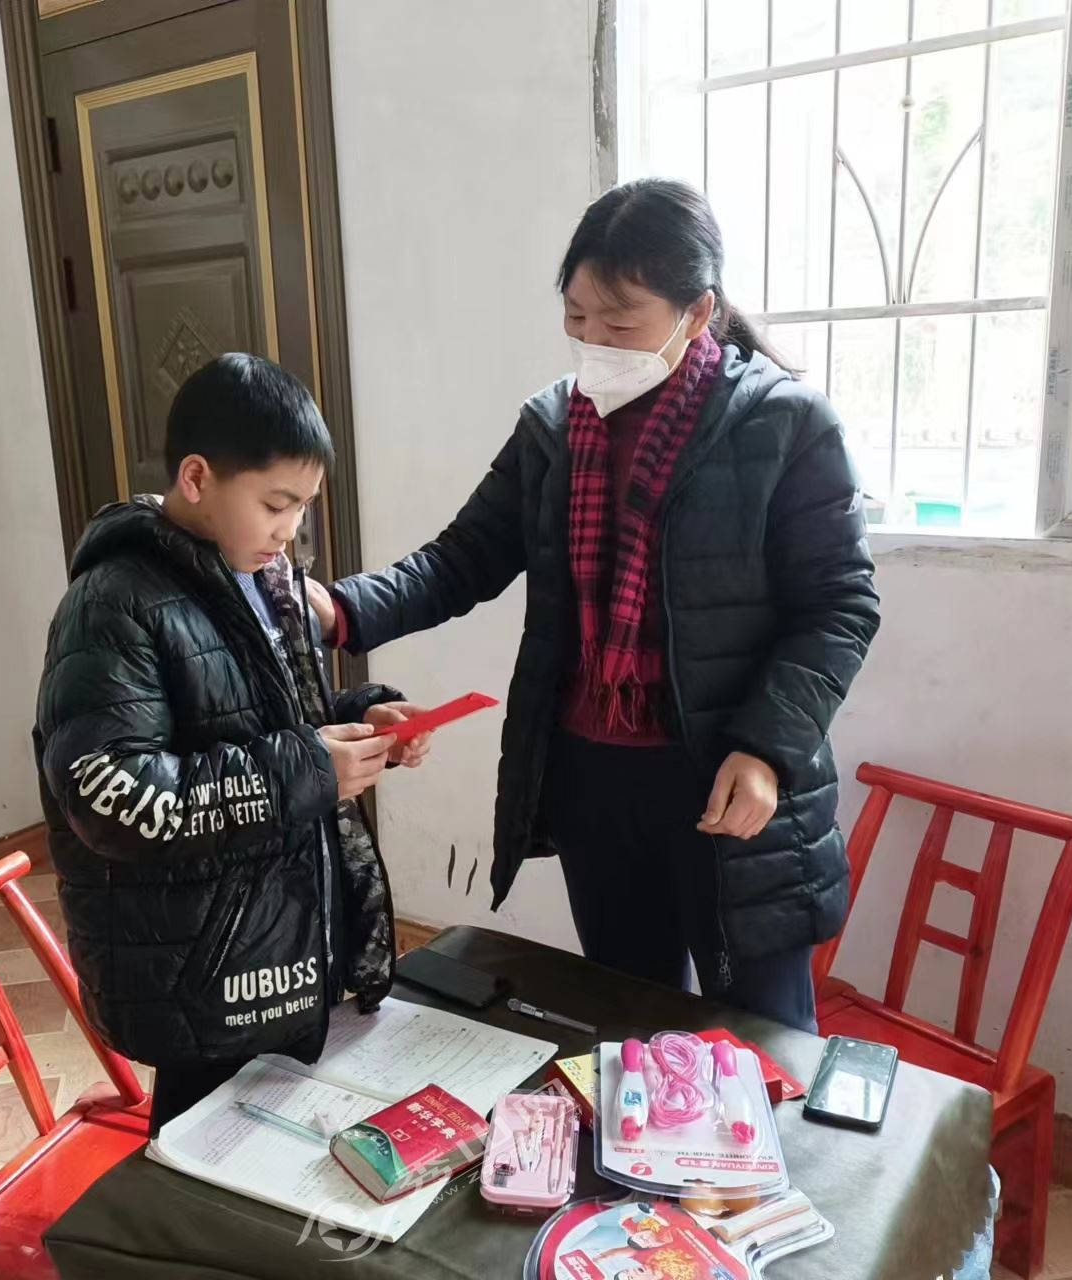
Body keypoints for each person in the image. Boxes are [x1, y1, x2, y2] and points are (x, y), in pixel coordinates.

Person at [308, 180, 880, 1032]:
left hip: (727, 783)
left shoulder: (786, 426)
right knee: (628, 1022)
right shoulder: (554, 428)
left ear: (697, 312)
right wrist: (337, 609)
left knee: (759, 1046)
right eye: (578, 318)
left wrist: (765, 750)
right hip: (596, 785)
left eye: (621, 322)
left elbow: (839, 607)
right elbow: (460, 560)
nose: (595, 343)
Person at [34, 353, 431, 1135]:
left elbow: (277, 720)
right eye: (276, 504)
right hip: (200, 965)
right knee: (202, 1162)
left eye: (303, 509)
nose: (290, 530)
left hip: (281, 941)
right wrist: (309, 767)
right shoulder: (112, 604)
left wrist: (361, 720)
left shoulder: (269, 581)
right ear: (196, 478)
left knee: (286, 1156)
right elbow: (112, 798)